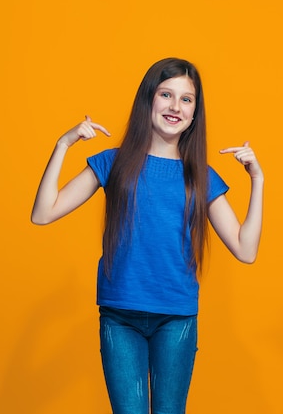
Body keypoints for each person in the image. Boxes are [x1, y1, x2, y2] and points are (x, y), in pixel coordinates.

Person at [31, 58, 264, 414]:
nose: (175, 106)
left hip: (176, 317)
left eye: (186, 100)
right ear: (149, 100)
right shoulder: (114, 162)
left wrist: (257, 180)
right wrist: (63, 144)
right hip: (120, 314)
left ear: (194, 113)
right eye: (166, 94)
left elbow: (246, 250)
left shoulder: (201, 175)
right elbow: (43, 213)